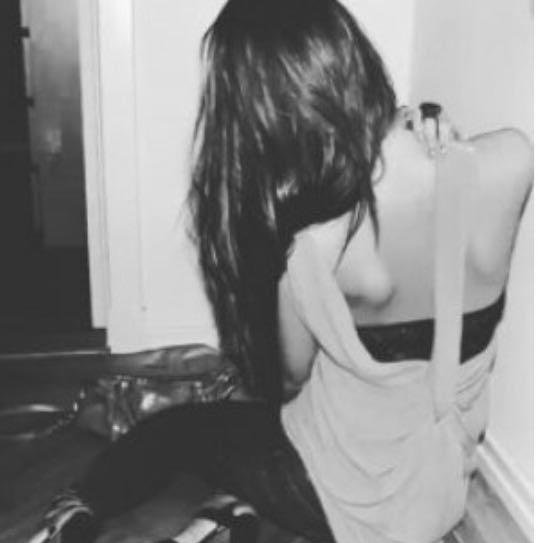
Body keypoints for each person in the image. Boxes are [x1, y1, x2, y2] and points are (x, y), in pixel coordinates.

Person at [29, 0, 532, 542]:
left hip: (338, 502)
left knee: (183, 430)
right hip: (442, 492)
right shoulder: (513, 159)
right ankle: (233, 512)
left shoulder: (317, 245)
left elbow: (290, 381)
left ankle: (77, 507)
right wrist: (420, 118)